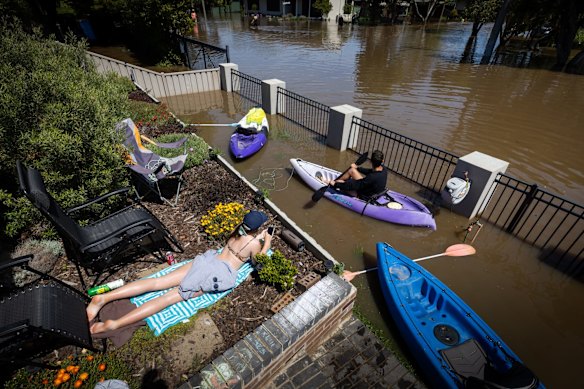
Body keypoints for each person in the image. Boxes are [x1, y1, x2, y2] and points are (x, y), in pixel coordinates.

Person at [87, 210, 272, 335]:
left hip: (207, 261)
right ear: (257, 228)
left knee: (158, 282)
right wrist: (267, 242)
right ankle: (115, 324)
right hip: (215, 275)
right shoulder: (255, 244)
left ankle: (103, 298)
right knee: (167, 298)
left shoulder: (237, 231)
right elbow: (258, 263)